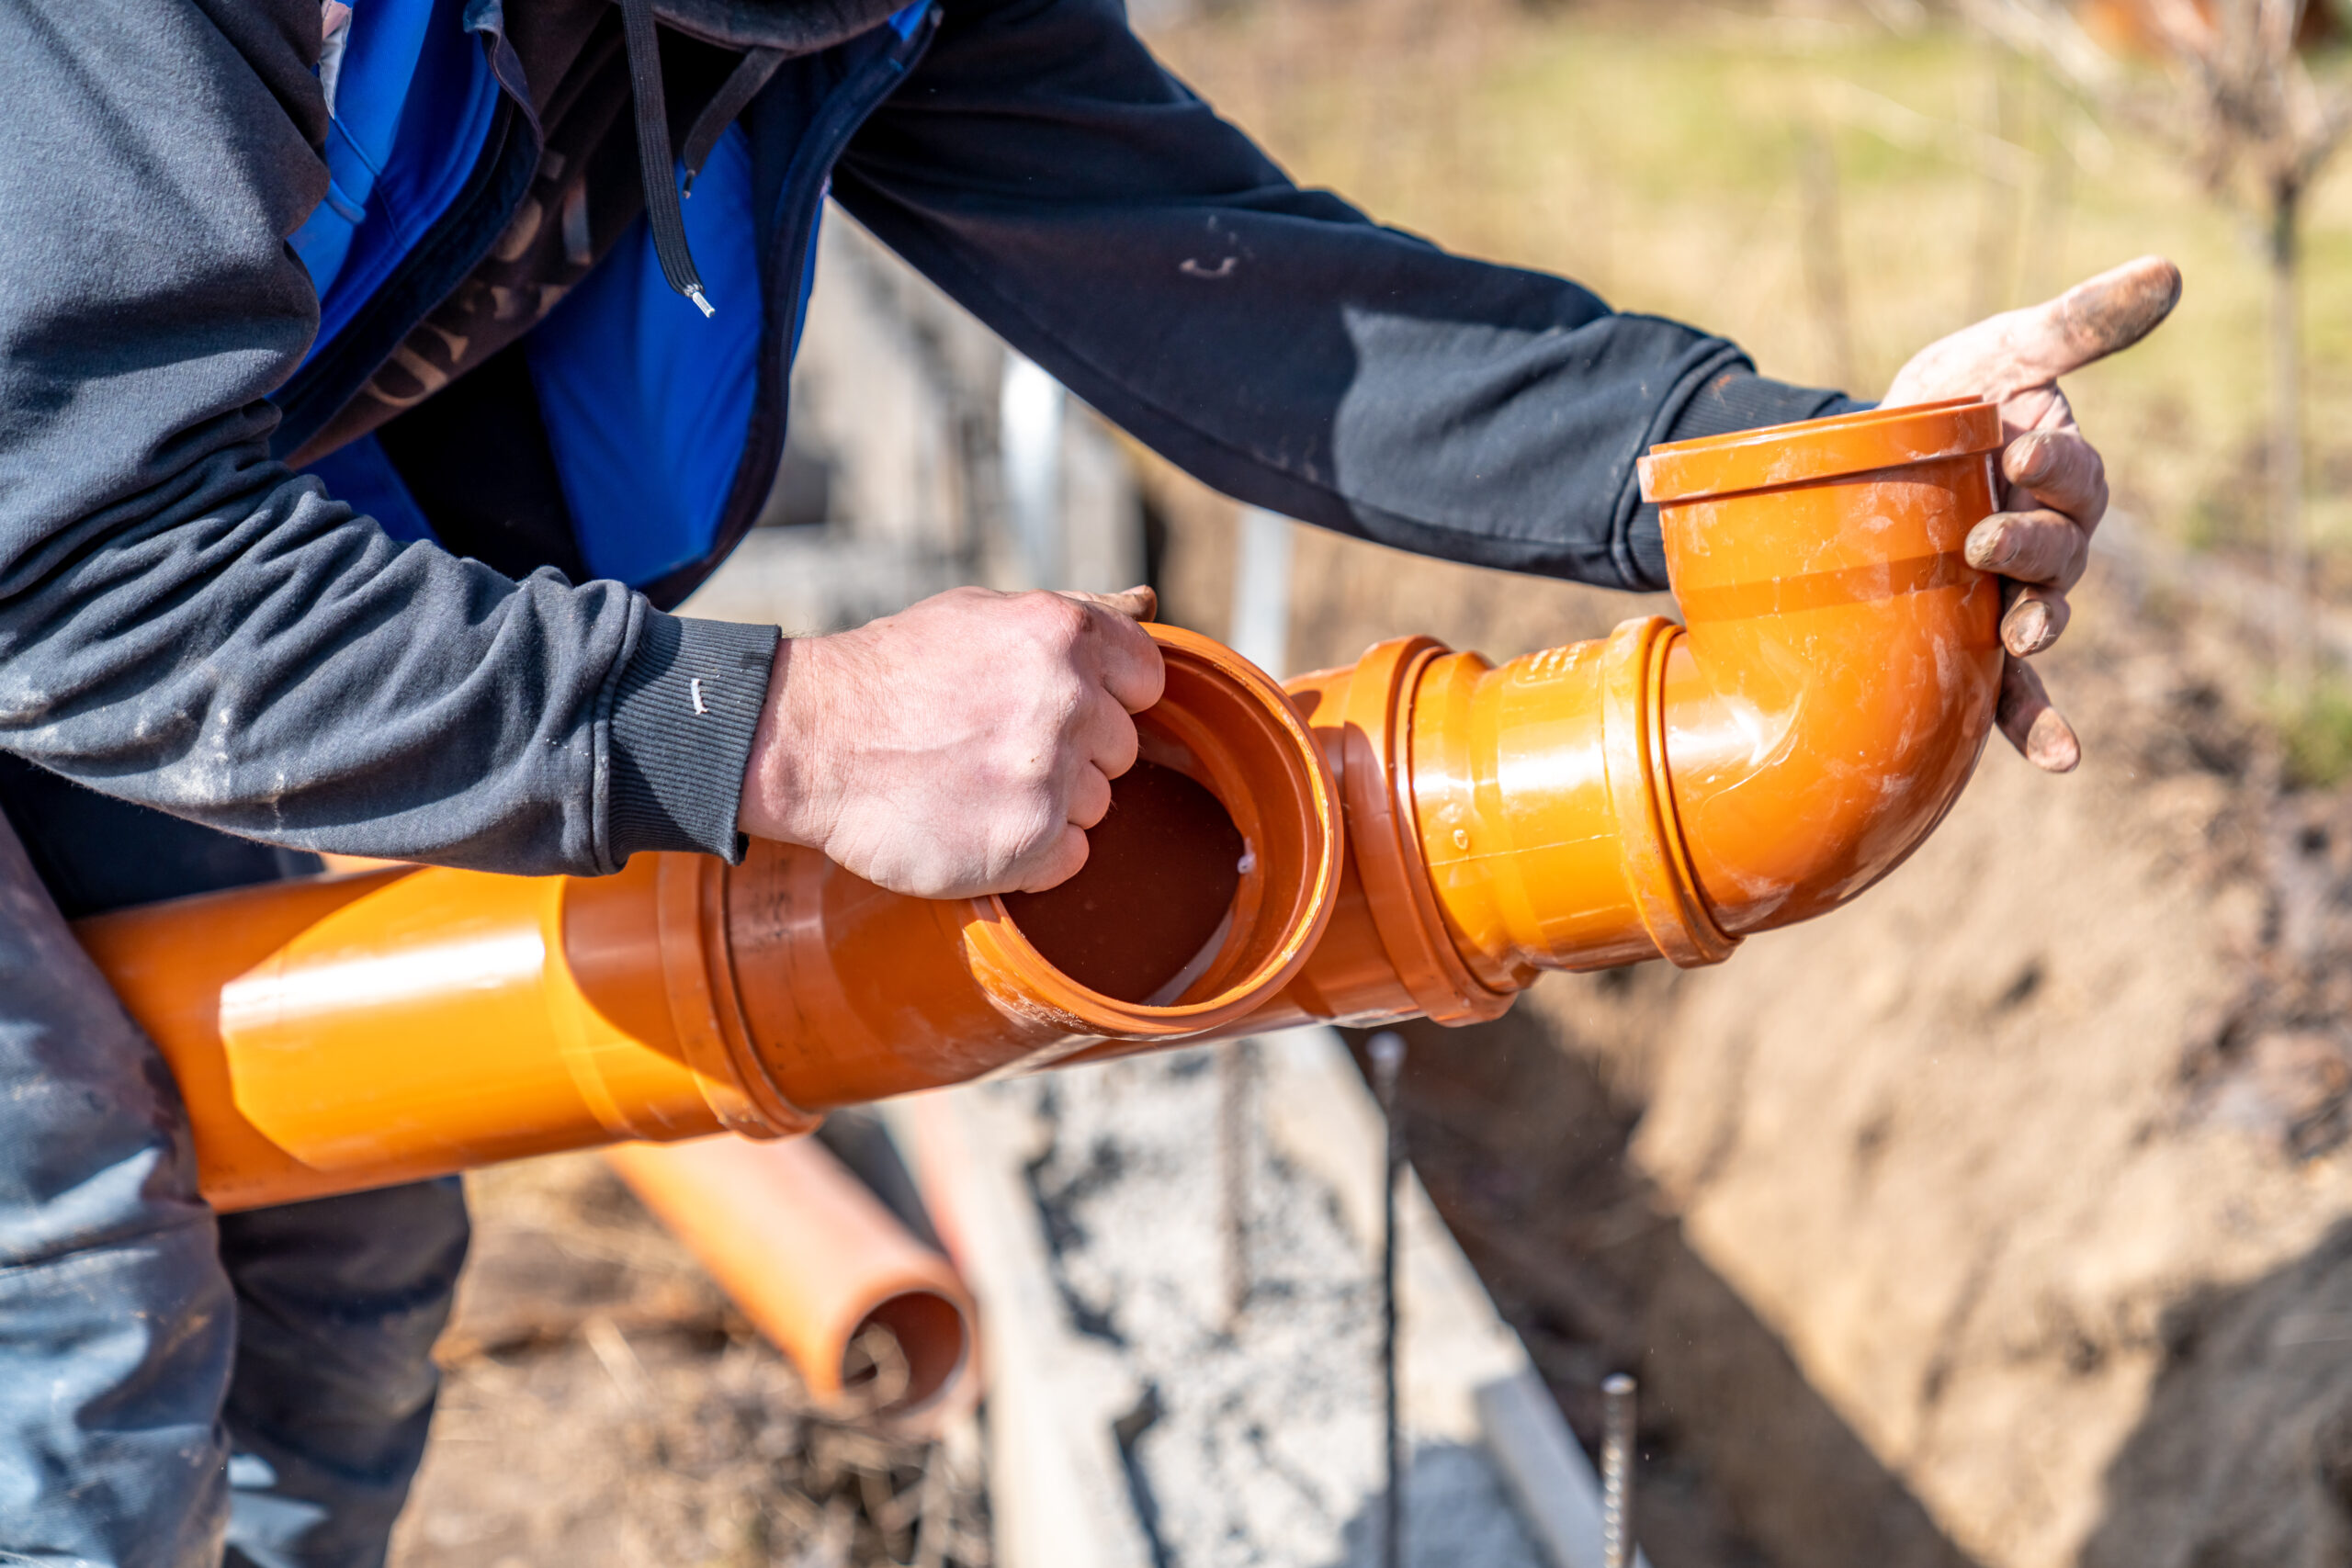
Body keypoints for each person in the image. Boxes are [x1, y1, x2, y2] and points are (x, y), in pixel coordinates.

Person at [0, 0, 2176, 1562]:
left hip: (109, 551)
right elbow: (69, 559)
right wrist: (773, 729)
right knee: (82, 1286)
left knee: (331, 1241)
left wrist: (1801, 487)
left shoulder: (825, 14)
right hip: (64, 561)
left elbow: (1251, 300)